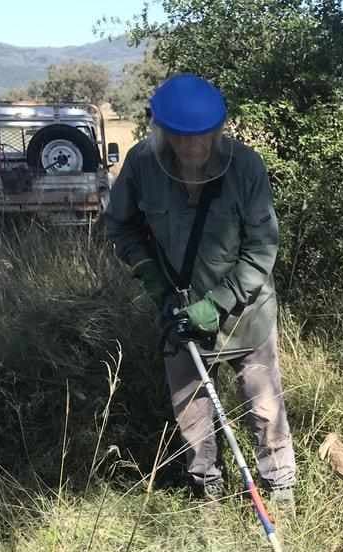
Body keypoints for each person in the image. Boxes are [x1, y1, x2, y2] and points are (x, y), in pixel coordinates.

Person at [104, 73, 297, 513]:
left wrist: (220, 302)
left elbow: (262, 246)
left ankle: (280, 486)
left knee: (264, 404)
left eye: (203, 137)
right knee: (190, 410)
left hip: (248, 314)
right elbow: (120, 226)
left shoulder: (245, 167)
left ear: (218, 130)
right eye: (183, 138)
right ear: (164, 132)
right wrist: (153, 280)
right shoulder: (141, 165)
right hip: (178, 311)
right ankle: (206, 485)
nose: (194, 148)